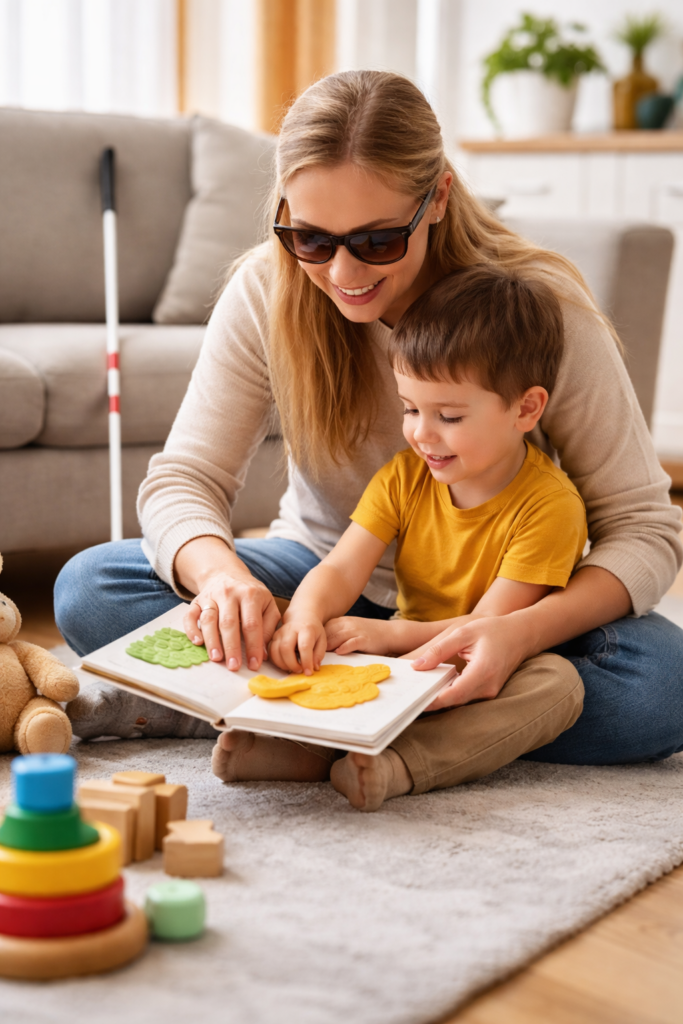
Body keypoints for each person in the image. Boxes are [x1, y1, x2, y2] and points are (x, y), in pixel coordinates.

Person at [57, 71, 683, 791]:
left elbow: (641, 526)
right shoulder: (267, 289)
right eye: (311, 238)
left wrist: (512, 634)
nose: (343, 272)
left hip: (494, 605)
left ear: (438, 198)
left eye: (378, 240)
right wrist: (224, 582)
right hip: (323, 582)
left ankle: (294, 713)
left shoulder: (535, 310)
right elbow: (184, 479)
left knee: (660, 688)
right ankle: (400, 716)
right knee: (92, 589)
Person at [259, 265, 587, 810]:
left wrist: (388, 637)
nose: (421, 433)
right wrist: (305, 619)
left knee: (559, 684)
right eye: (410, 409)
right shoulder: (404, 476)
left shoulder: (550, 506)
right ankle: (295, 745)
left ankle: (400, 765)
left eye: (450, 416)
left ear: (526, 409)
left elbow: (486, 628)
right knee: (274, 614)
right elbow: (342, 569)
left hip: (486, 669)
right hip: (403, 656)